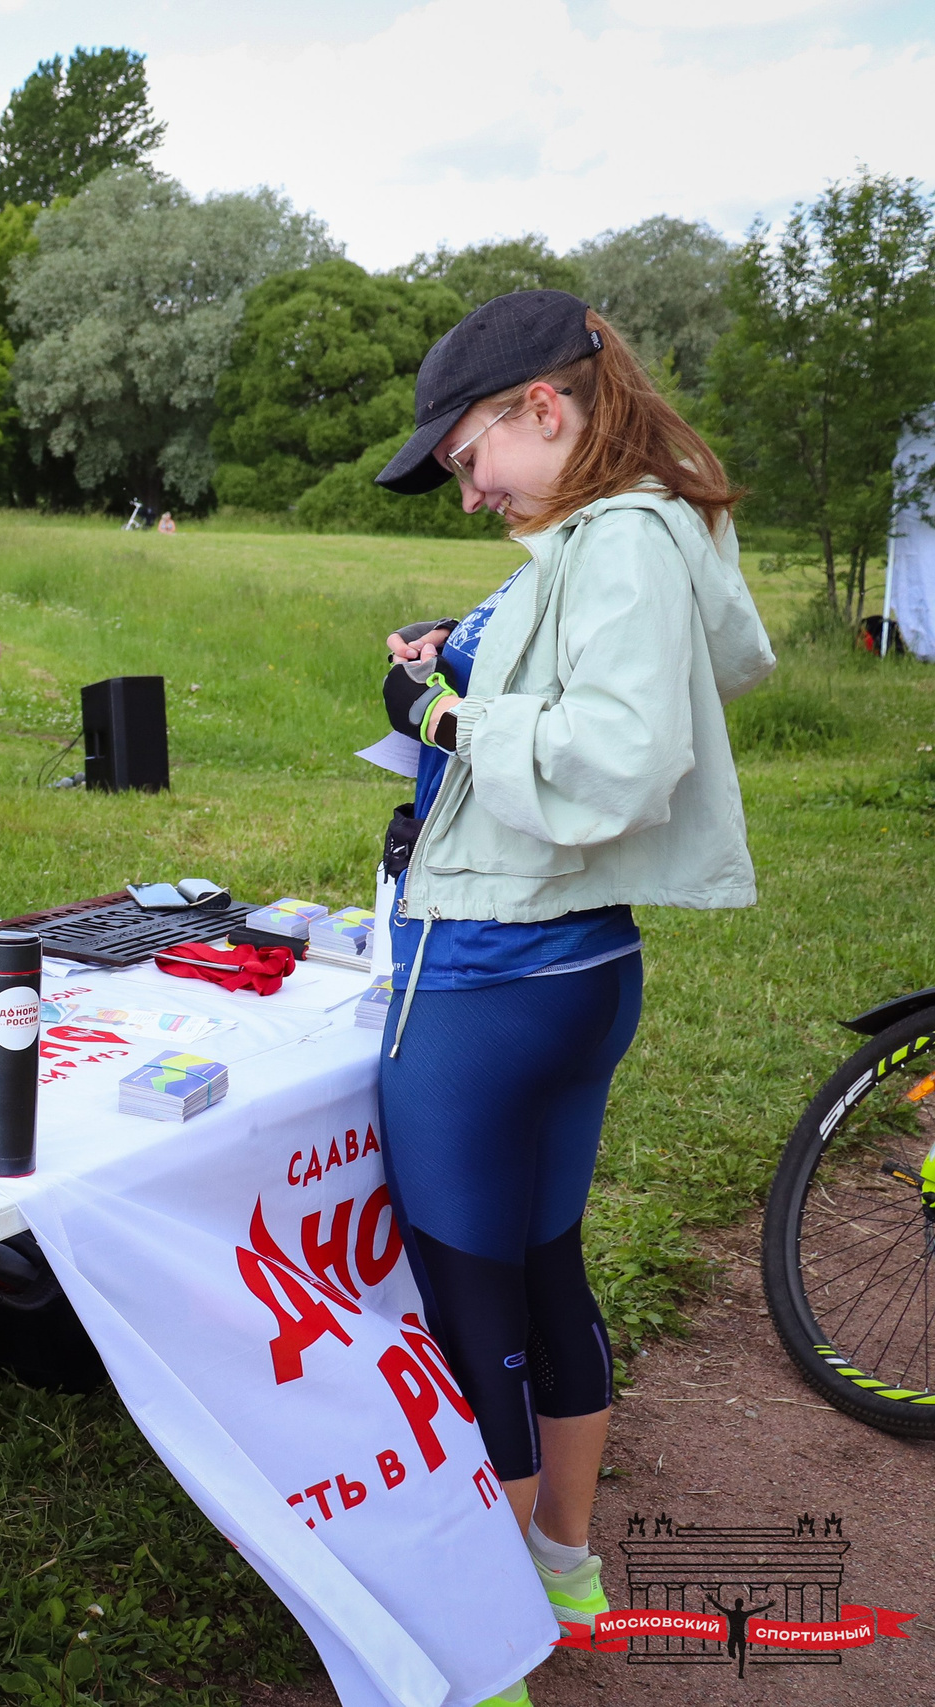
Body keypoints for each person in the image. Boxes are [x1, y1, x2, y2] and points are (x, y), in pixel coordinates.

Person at [370, 290, 772, 1706]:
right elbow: (643, 673)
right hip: (580, 963)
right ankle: (562, 1565)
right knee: (546, 1271)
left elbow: (617, 756)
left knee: (469, 1291)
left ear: (549, 407)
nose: (464, 486)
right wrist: (472, 643)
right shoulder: (640, 535)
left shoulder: (617, 543)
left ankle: (485, 1640)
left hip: (487, 965)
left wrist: (447, 713)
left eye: (471, 450)